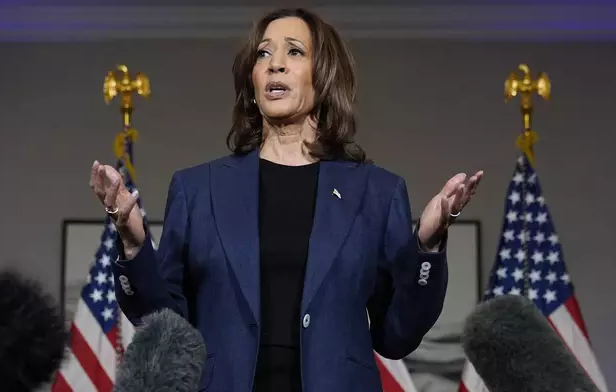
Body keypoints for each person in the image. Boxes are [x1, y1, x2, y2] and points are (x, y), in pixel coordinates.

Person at [89, 7, 482, 392]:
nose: (275, 64)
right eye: (263, 54)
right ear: (253, 81)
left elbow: (397, 335)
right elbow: (164, 323)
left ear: (324, 76)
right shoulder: (197, 189)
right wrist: (134, 243)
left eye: (294, 51)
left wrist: (427, 246)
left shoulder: (377, 193)